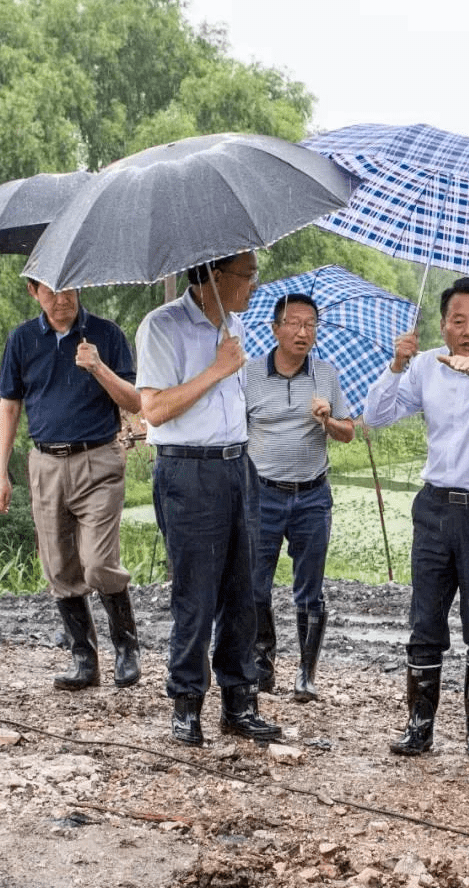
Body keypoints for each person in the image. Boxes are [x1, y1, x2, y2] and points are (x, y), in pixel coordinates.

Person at [363, 277, 469, 761]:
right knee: (425, 620)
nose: (468, 329)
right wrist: (396, 366)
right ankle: (420, 726)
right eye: (458, 321)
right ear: (443, 324)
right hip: (435, 508)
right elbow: (377, 415)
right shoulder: (424, 365)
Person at [135, 250, 281, 747]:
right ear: (215, 276)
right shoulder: (162, 326)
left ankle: (239, 703)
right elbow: (153, 409)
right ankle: (187, 703)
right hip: (187, 470)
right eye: (247, 274)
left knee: (245, 591)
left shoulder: (236, 325)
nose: (254, 283)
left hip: (238, 466)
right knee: (196, 594)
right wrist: (217, 369)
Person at [0, 279, 142, 692]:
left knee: (97, 562)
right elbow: (9, 406)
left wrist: (97, 367)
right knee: (58, 566)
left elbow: (134, 402)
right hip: (45, 462)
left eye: (69, 290)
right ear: (32, 293)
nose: (62, 301)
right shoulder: (22, 339)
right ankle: (84, 658)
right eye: (51, 292)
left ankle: (127, 647)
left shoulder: (107, 335)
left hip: (99, 459)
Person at [243, 293, 355, 702]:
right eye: (294, 323)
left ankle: (306, 673)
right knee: (255, 585)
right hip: (262, 496)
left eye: (310, 325)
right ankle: (262, 664)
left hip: (311, 495)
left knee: (309, 589)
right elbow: (235, 431)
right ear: (276, 329)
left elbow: (348, 432)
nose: (303, 332)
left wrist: (328, 420)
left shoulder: (325, 374)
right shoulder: (249, 374)